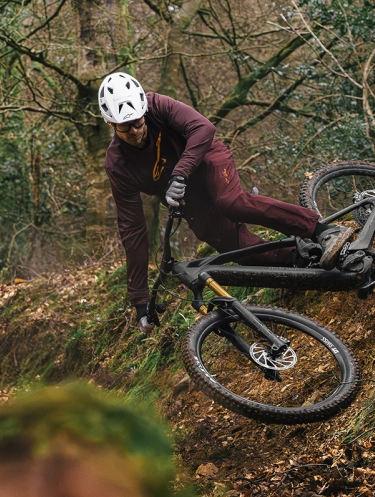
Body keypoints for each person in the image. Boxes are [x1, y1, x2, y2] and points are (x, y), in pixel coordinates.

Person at [98, 72, 347, 332]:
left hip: (206, 159)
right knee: (217, 235)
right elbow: (132, 230)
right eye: (125, 128)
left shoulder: (158, 105)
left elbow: (203, 128)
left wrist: (180, 172)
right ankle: (296, 260)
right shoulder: (118, 166)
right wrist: (139, 300)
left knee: (230, 202)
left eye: (138, 122)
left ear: (143, 110)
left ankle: (323, 231)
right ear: (110, 123)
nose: (135, 131)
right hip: (186, 194)